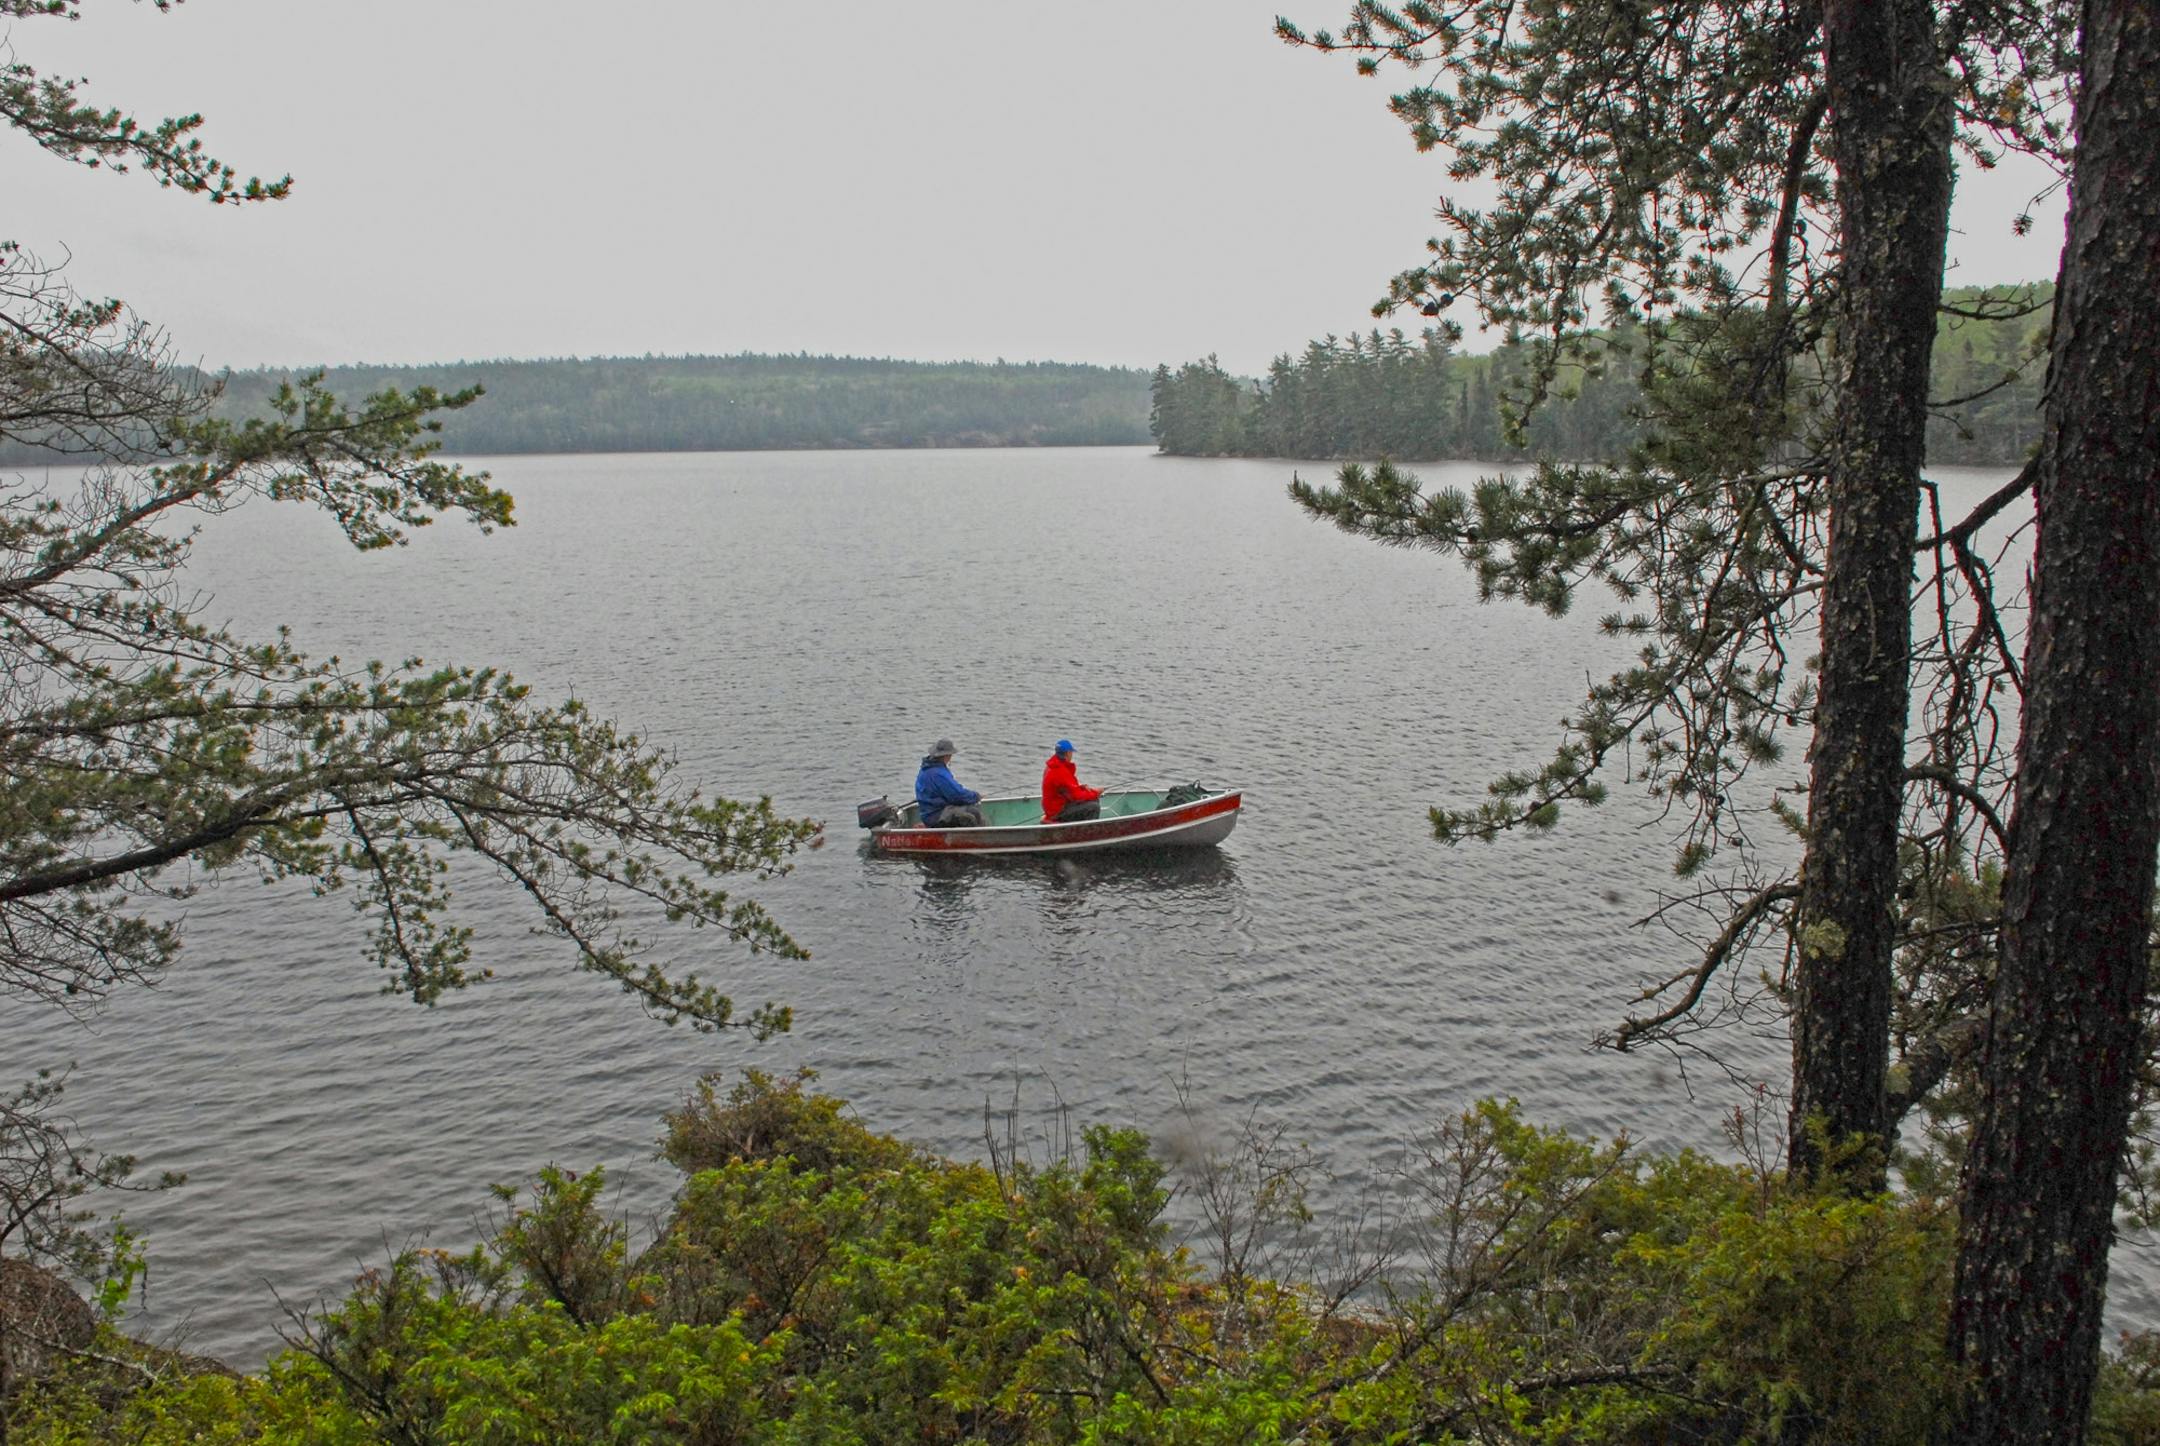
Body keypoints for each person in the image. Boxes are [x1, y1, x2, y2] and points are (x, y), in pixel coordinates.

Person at [915, 738, 985, 827]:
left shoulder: (926, 768)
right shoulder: (938, 774)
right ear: (947, 756)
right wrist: (975, 796)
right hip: (935, 815)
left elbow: (953, 790)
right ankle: (976, 839)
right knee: (972, 814)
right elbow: (957, 796)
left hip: (930, 813)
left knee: (971, 810)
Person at [1041, 739, 1102, 822]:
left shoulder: (1052, 766)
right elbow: (1077, 796)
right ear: (1067, 753)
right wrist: (1096, 792)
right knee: (1094, 807)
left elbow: (1066, 789)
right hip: (1056, 812)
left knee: (1091, 799)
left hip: (1053, 807)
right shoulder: (1060, 771)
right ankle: (1084, 831)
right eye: (1071, 752)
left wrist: (1081, 788)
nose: (1072, 755)